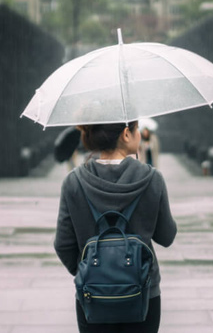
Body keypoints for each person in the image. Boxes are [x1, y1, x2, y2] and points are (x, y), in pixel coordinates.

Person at [54, 121, 177, 333]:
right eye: (136, 129)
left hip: (92, 295)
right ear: (127, 134)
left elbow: (63, 244)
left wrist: (90, 271)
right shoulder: (152, 179)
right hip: (143, 294)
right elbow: (166, 236)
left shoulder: (73, 182)